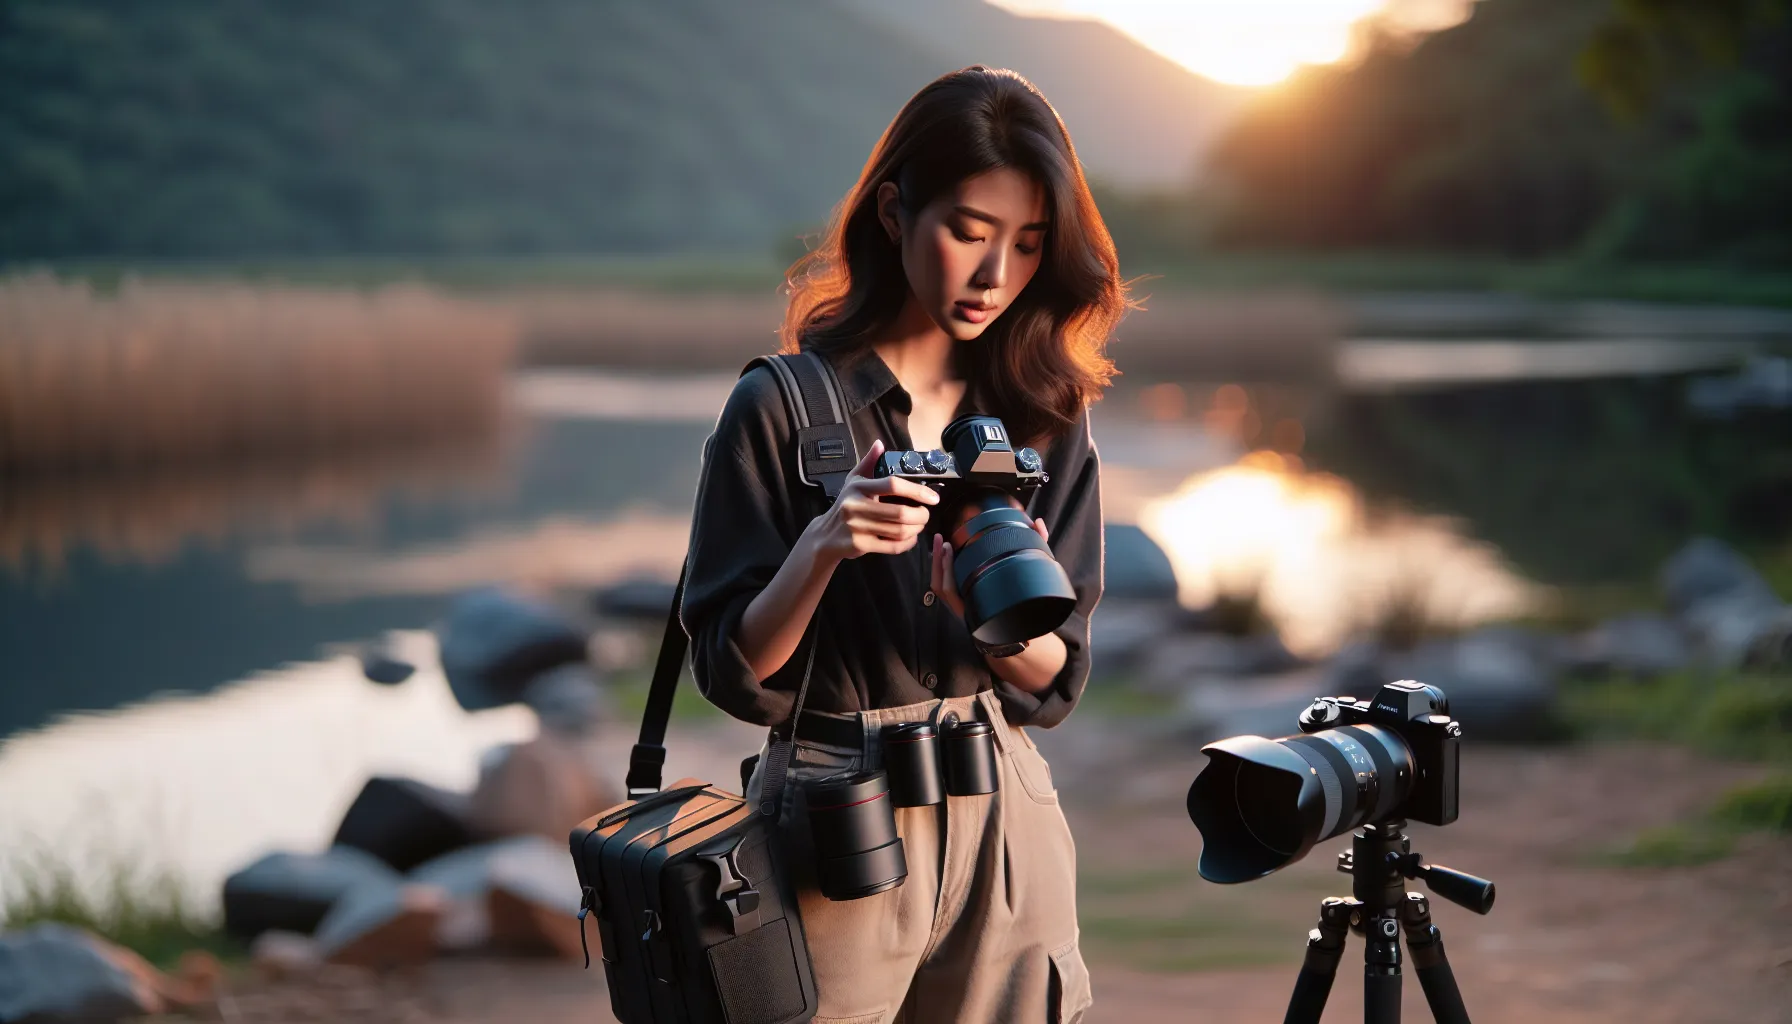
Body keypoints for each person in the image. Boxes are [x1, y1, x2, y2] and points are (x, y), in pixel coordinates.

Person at [680, 65, 1131, 1024]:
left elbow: (1058, 678)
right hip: (836, 816)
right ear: (894, 212)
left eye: (1028, 243)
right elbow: (728, 669)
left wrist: (998, 623)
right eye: (969, 231)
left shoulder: (1044, 411)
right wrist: (823, 547)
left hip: (1002, 805)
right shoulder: (781, 406)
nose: (996, 273)